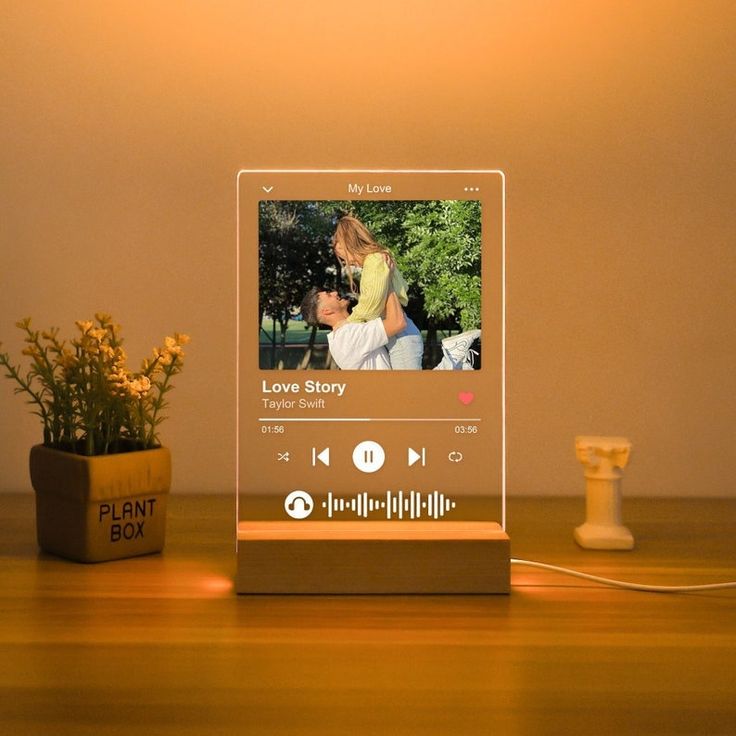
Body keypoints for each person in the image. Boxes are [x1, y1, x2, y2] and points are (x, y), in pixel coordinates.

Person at [300, 286, 480, 371]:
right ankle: (453, 356)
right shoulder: (347, 337)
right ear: (326, 311)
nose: (334, 292)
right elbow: (397, 323)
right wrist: (386, 282)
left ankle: (457, 359)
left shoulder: (349, 330)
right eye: (328, 294)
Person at [332, 215, 423, 369]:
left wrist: (348, 323)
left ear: (350, 245)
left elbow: (371, 305)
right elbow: (402, 290)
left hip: (401, 338)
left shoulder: (375, 261)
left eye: (344, 257)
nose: (350, 263)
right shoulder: (378, 260)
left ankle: (458, 358)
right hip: (400, 336)